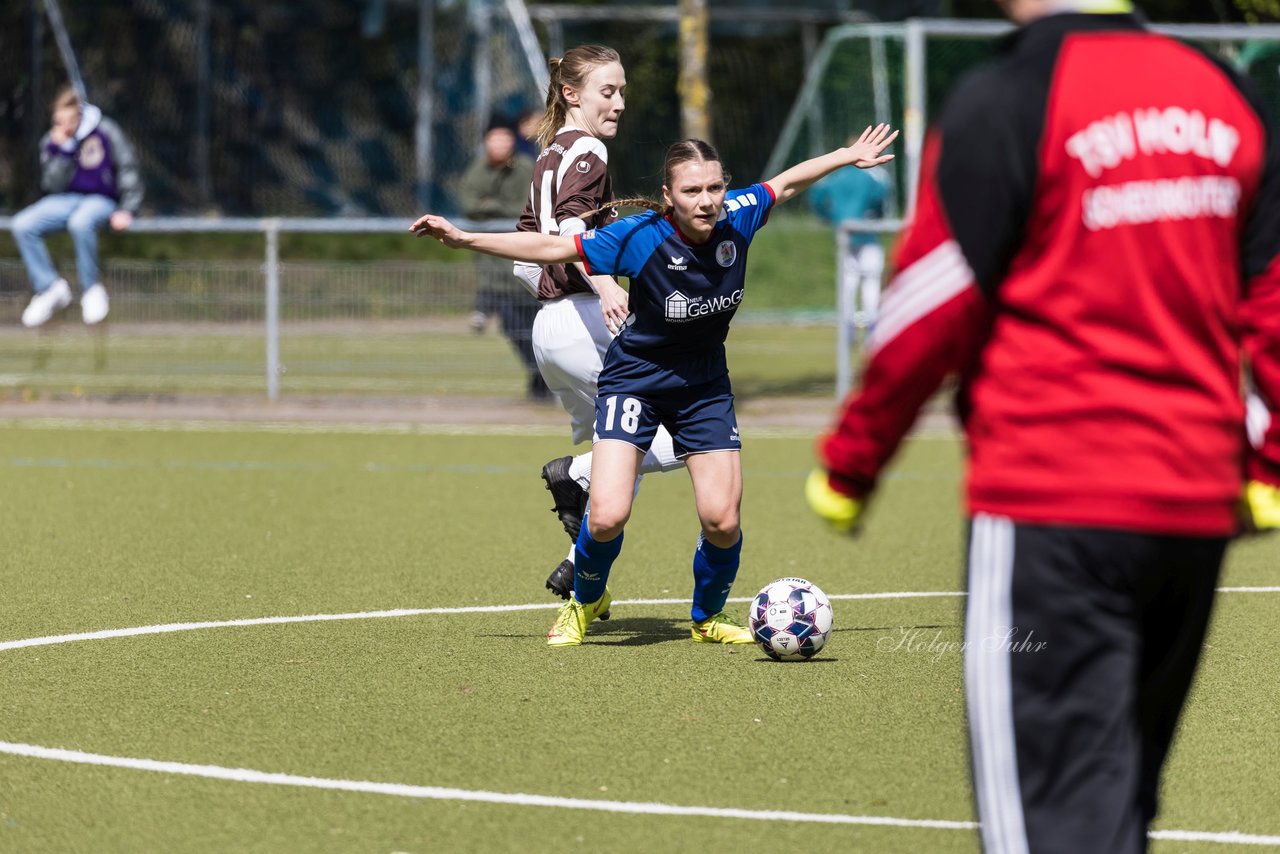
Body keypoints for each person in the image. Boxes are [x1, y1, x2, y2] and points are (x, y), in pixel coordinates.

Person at [804, 2, 1280, 852]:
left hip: (1055, 504)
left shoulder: (1009, 94)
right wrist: (1270, 468)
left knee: (1052, 821)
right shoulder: (1223, 94)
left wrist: (850, 466)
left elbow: (933, 304)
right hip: (1192, 511)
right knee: (1112, 806)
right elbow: (1273, 296)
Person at [413, 125, 898, 647]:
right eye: (692, 191)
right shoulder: (640, 236)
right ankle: (584, 601)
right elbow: (552, 246)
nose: (707, 201)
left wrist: (848, 155)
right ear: (669, 196)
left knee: (721, 519)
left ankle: (706, 619)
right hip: (635, 381)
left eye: (714, 188)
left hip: (704, 384)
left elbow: (786, 184)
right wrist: (465, 238)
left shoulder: (737, 217)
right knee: (606, 516)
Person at [512, 45, 686, 604]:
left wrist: (553, 293)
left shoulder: (548, 155)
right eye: (607, 91)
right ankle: (574, 473)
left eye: (622, 91)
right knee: (690, 437)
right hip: (589, 322)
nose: (620, 103)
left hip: (550, 331)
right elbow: (569, 228)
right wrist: (605, 283)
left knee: (620, 460)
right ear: (572, 95)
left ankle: (579, 576)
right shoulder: (587, 148)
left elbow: (525, 248)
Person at [13, 86, 143, 328]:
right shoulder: (53, 141)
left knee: (80, 223)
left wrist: (128, 208)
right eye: (60, 121)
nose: (66, 126)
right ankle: (50, 288)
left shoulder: (105, 130)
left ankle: (91, 289)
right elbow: (51, 184)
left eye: (70, 120)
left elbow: (128, 168)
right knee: (22, 225)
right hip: (65, 200)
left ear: (79, 115)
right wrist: (64, 151)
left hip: (100, 200)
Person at [457, 115, 547, 400]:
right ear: (485, 142)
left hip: (527, 266)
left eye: (505, 138)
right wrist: (499, 209)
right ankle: (538, 375)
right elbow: (468, 205)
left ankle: (544, 378)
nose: (500, 144)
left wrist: (490, 206)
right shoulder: (476, 170)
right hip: (494, 271)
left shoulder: (524, 168)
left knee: (537, 328)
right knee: (513, 328)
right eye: (495, 138)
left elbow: (524, 207)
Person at [808, 155, 889, 333]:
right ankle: (872, 326)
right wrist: (876, 216)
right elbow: (881, 197)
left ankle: (848, 328)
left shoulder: (836, 177)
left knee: (848, 284)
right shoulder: (872, 177)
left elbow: (816, 196)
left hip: (844, 234)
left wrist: (830, 217)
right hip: (867, 235)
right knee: (871, 282)